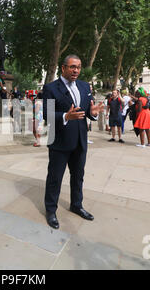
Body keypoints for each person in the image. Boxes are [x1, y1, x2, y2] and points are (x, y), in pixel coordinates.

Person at [42, 54, 104, 229]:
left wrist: (92, 112)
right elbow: (46, 114)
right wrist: (65, 116)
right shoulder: (51, 88)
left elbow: (86, 111)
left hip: (80, 141)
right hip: (60, 142)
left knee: (78, 177)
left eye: (78, 67)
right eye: (72, 67)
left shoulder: (84, 87)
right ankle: (51, 210)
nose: (76, 70)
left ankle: (77, 205)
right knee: (55, 178)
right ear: (63, 68)